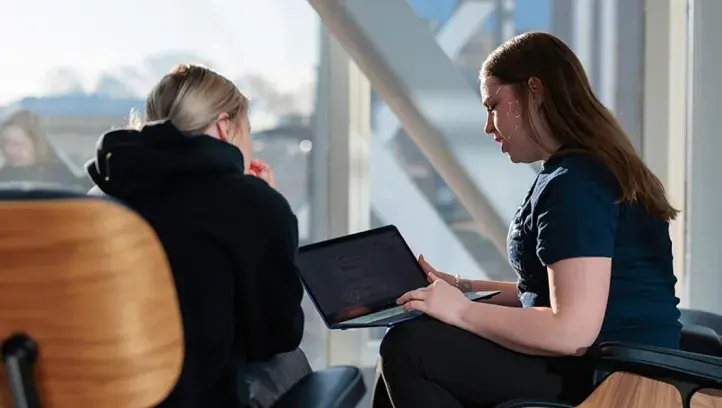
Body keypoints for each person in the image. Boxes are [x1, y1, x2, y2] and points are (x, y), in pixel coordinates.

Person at [373, 32, 682, 408]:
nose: (488, 126)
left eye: (493, 105)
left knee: (409, 348)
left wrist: (462, 311)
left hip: (612, 380)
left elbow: (570, 331)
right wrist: (460, 286)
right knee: (416, 331)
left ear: (534, 91)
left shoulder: (577, 184)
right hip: (606, 365)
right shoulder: (580, 172)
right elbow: (546, 294)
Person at [85, 64, 305, 408]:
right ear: (224, 127)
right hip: (199, 399)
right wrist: (269, 217)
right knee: (289, 362)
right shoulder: (252, 204)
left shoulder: (95, 203)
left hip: (97, 395)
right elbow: (277, 335)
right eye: (248, 131)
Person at [0, 109, 88, 189]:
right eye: (5, 143)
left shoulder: (61, 176)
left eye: (17, 144)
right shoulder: (3, 177)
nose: (9, 150)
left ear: (36, 143)